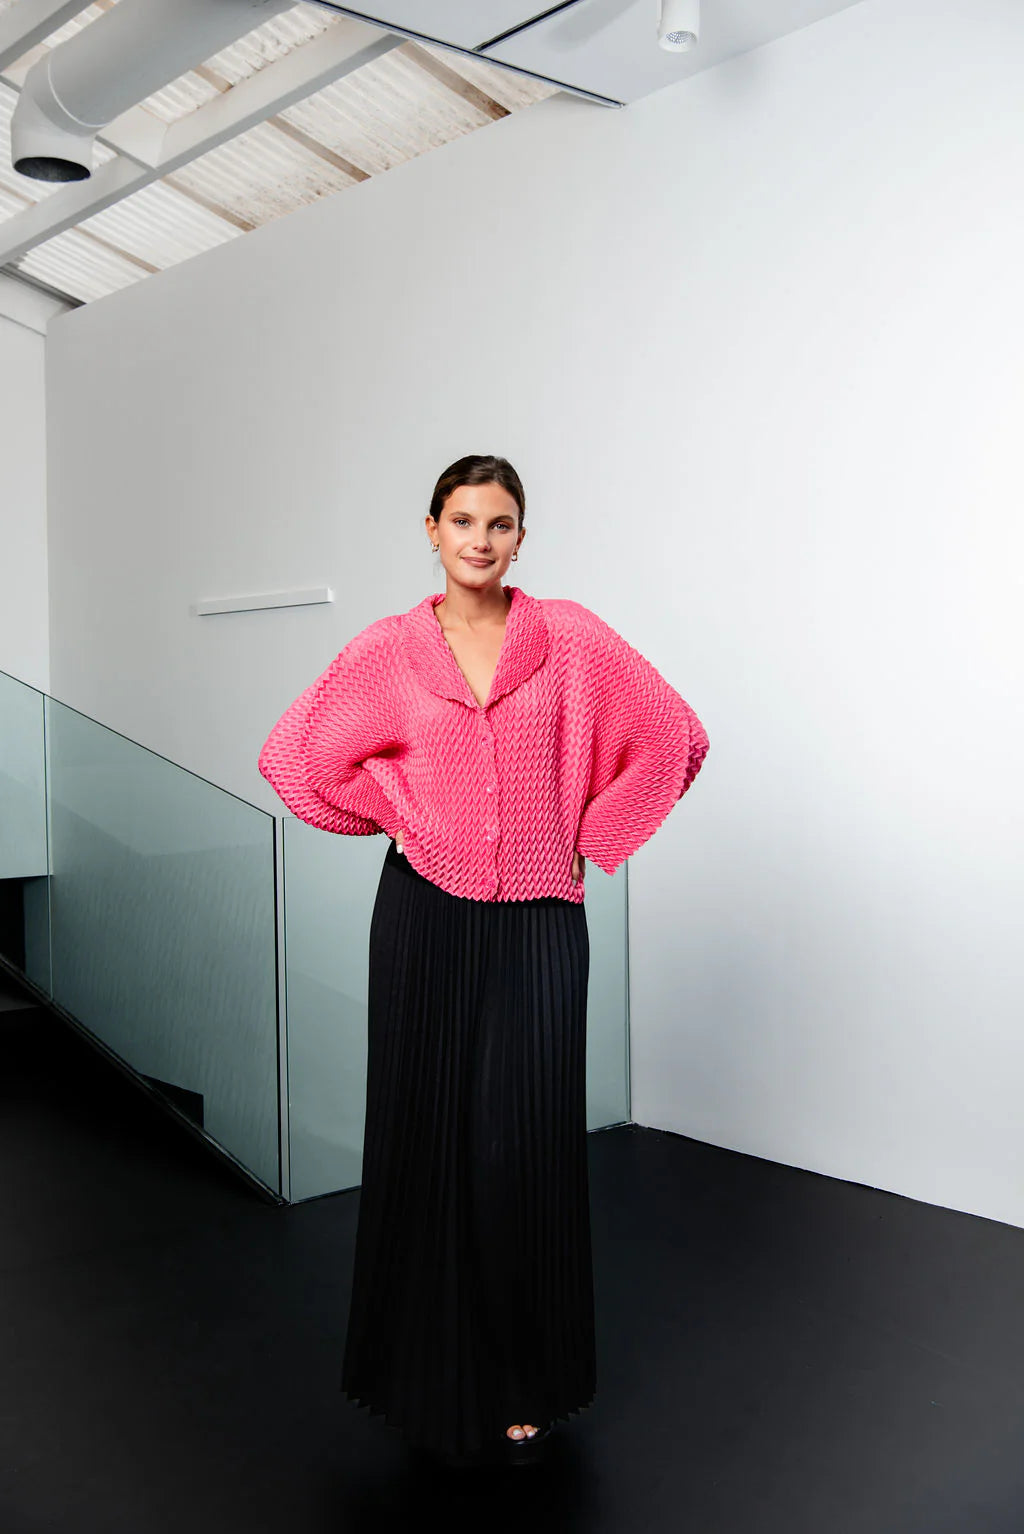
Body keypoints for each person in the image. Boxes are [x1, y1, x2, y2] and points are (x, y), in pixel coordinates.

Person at [257, 454, 709, 1469]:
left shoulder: (571, 638)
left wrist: (592, 833)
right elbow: (295, 757)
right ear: (432, 529)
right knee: (421, 1134)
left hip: (540, 920)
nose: (479, 539)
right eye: (462, 520)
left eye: (499, 523)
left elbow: (673, 735)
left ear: (520, 538)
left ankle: (526, 1379)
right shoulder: (387, 649)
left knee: (525, 1146)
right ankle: (417, 1374)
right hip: (422, 915)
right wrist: (396, 816)